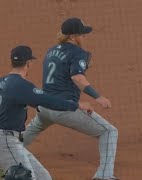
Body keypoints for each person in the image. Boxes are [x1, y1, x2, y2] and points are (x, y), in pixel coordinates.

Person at [23, 17, 118, 180]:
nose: (84, 37)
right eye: (82, 34)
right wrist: (98, 97)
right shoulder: (78, 53)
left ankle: (4, 153)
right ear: (73, 37)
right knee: (109, 132)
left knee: (24, 137)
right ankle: (104, 176)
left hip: (45, 107)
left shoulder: (51, 50)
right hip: (64, 108)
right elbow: (77, 78)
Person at [0, 45, 93, 180]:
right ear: (29, 63)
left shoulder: (3, 81)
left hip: (10, 140)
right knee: (23, 177)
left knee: (44, 177)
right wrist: (76, 104)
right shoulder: (20, 85)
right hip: (6, 141)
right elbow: (48, 100)